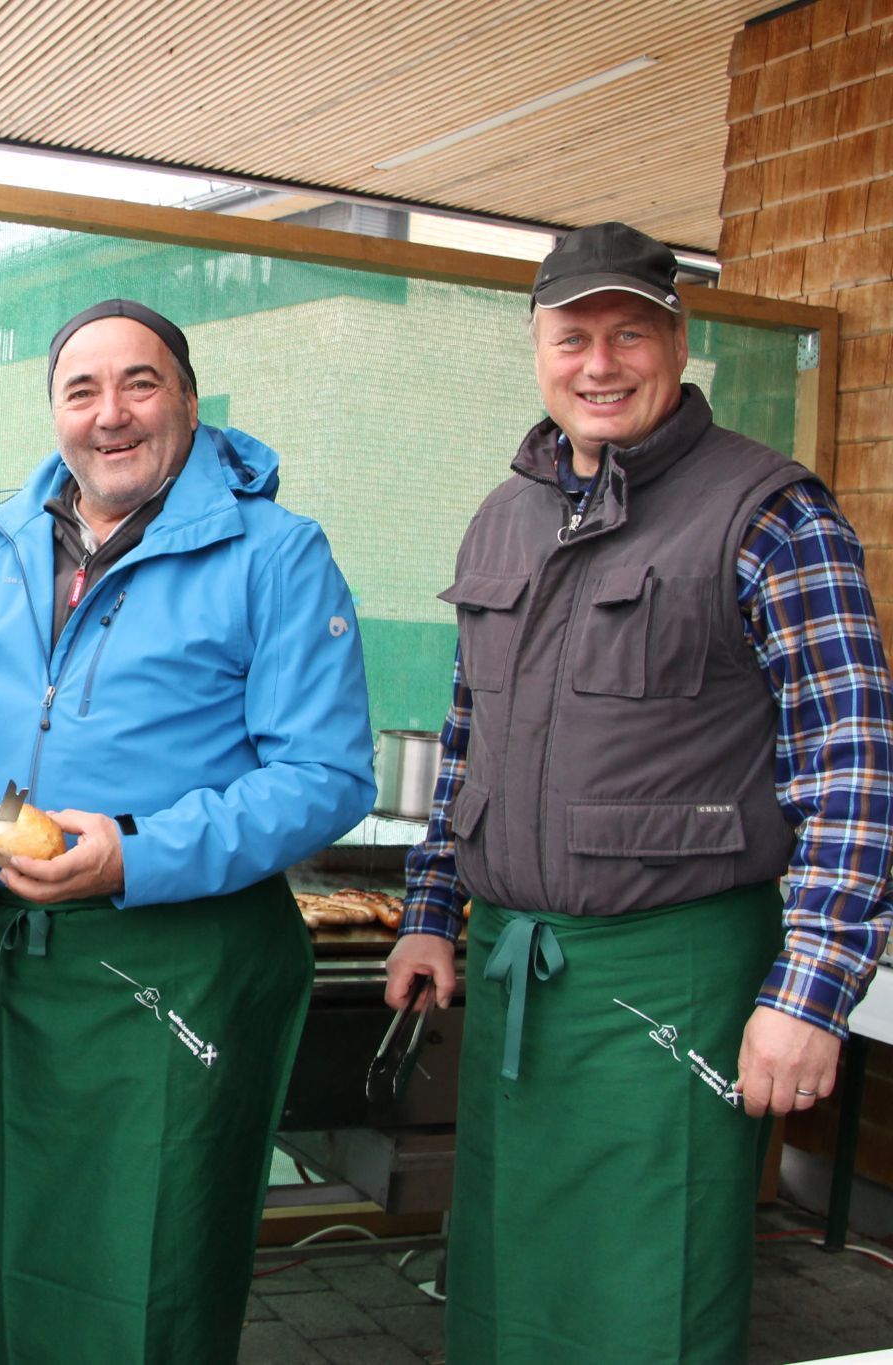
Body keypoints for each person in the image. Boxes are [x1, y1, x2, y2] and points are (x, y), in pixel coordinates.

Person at [388, 221, 893, 1363]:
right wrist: (429, 913)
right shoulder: (502, 512)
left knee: (642, 1291)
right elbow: (472, 733)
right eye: (573, 336)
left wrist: (807, 992)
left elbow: (852, 760)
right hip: (518, 969)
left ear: (678, 340)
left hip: (676, 975)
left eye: (630, 333)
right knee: (511, 1282)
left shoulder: (770, 513)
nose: (599, 363)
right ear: (535, 348)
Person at [0, 299, 375, 1363]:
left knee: (150, 1260)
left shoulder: (276, 554)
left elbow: (324, 774)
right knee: (13, 1239)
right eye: (81, 391)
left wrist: (134, 853)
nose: (109, 415)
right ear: (53, 414)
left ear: (189, 401)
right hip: (22, 971)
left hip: (184, 966)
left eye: (139, 383)